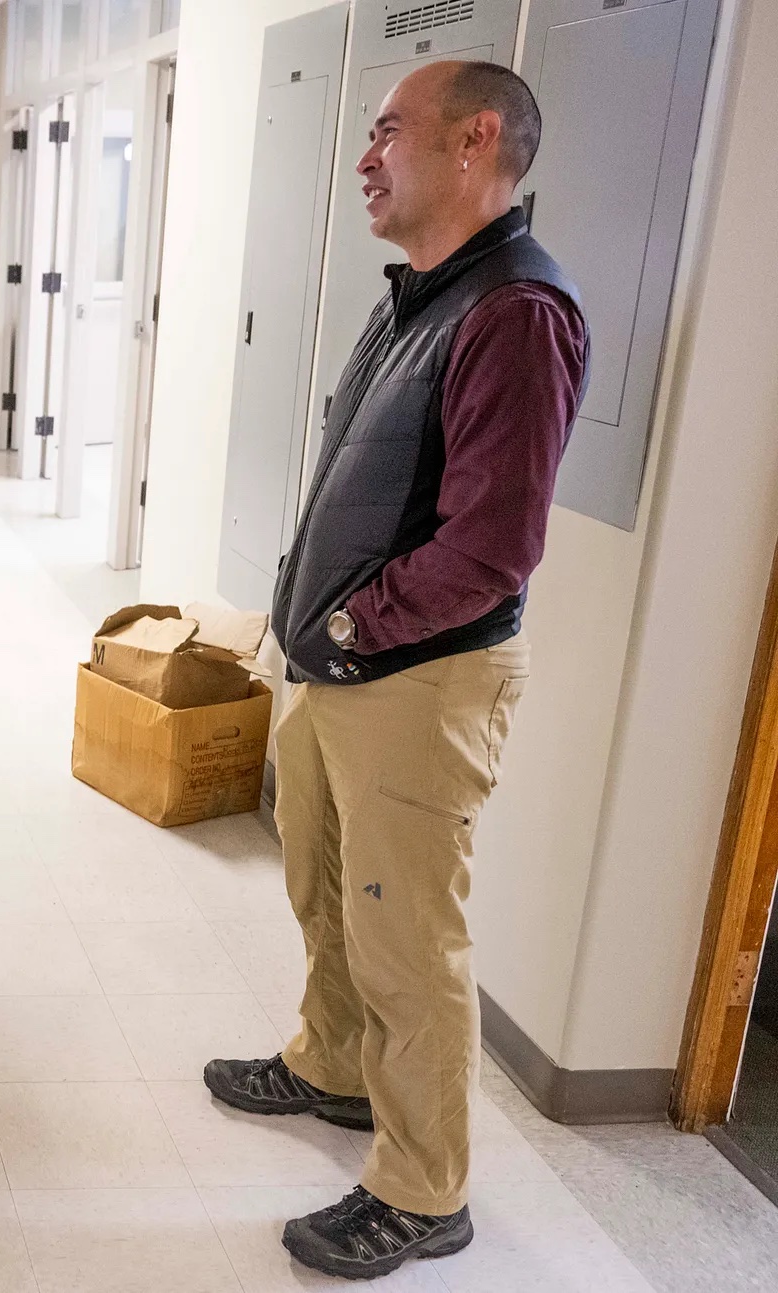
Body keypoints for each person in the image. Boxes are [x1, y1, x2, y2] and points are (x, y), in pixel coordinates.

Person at [204, 62, 589, 1280]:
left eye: (385, 133)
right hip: (340, 668)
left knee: (408, 938)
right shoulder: (416, 296)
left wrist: (356, 631)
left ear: (475, 141)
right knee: (323, 887)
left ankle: (425, 1191)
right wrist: (309, 623)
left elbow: (488, 546)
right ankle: (330, 1066)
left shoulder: (516, 313)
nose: (364, 157)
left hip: (417, 681)